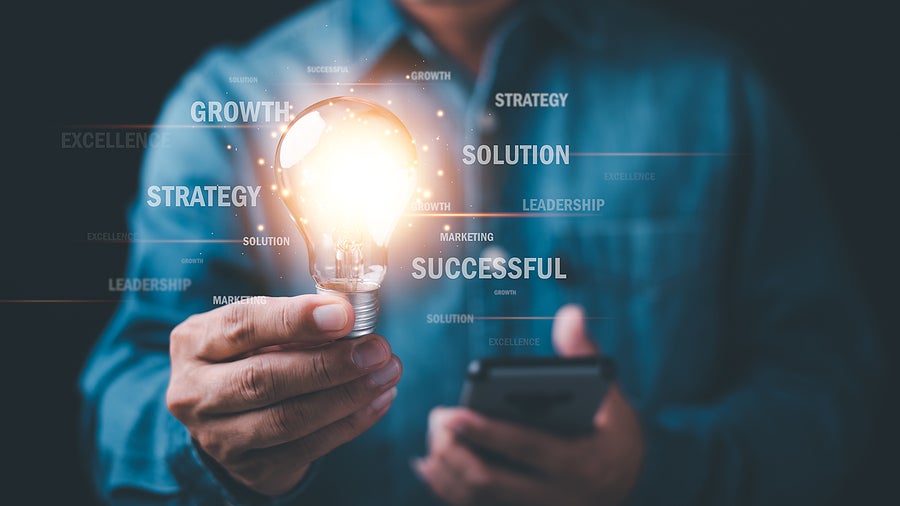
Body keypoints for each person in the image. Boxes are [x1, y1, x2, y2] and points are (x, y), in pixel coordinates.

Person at [79, 0, 878, 504]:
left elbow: (836, 389)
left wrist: (655, 472)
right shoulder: (234, 103)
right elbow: (133, 385)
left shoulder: (712, 93)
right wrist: (216, 445)